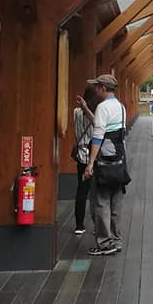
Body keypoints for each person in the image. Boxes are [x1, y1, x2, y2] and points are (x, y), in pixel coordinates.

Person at [83, 74, 128, 256]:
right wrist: (86, 109)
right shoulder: (120, 107)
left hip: (104, 162)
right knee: (116, 202)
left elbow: (98, 136)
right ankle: (116, 240)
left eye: (96, 87)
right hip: (119, 160)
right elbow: (104, 126)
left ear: (102, 88)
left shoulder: (102, 107)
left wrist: (90, 163)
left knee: (101, 203)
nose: (95, 90)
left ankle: (105, 243)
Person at [71, 82, 99, 236]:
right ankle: (97, 225)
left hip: (81, 156)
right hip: (93, 156)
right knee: (96, 192)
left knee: (81, 190)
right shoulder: (96, 113)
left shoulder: (76, 112)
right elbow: (97, 124)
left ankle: (79, 224)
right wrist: (87, 109)